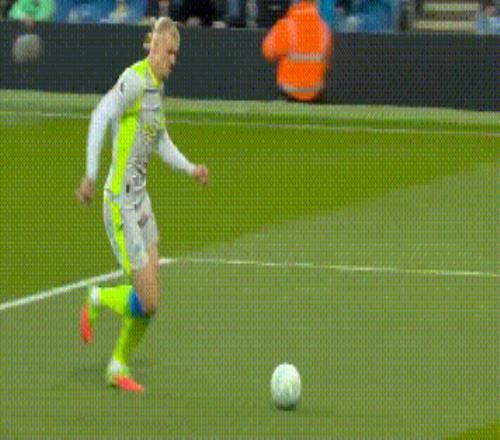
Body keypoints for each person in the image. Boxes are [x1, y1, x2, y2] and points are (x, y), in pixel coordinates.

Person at [76, 16, 209, 393]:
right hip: (120, 203)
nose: (173, 60)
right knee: (148, 299)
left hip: (141, 201)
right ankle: (99, 297)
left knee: (151, 298)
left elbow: (160, 140)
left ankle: (117, 365)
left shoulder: (156, 90)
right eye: (169, 52)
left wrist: (191, 168)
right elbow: (100, 116)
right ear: (154, 47)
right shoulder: (134, 80)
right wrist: (90, 174)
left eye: (176, 54)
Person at [262, 0, 332, 103]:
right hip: (316, 96)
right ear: (316, 3)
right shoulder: (324, 28)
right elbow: (326, 61)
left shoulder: (286, 25)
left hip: (289, 95)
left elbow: (268, 51)